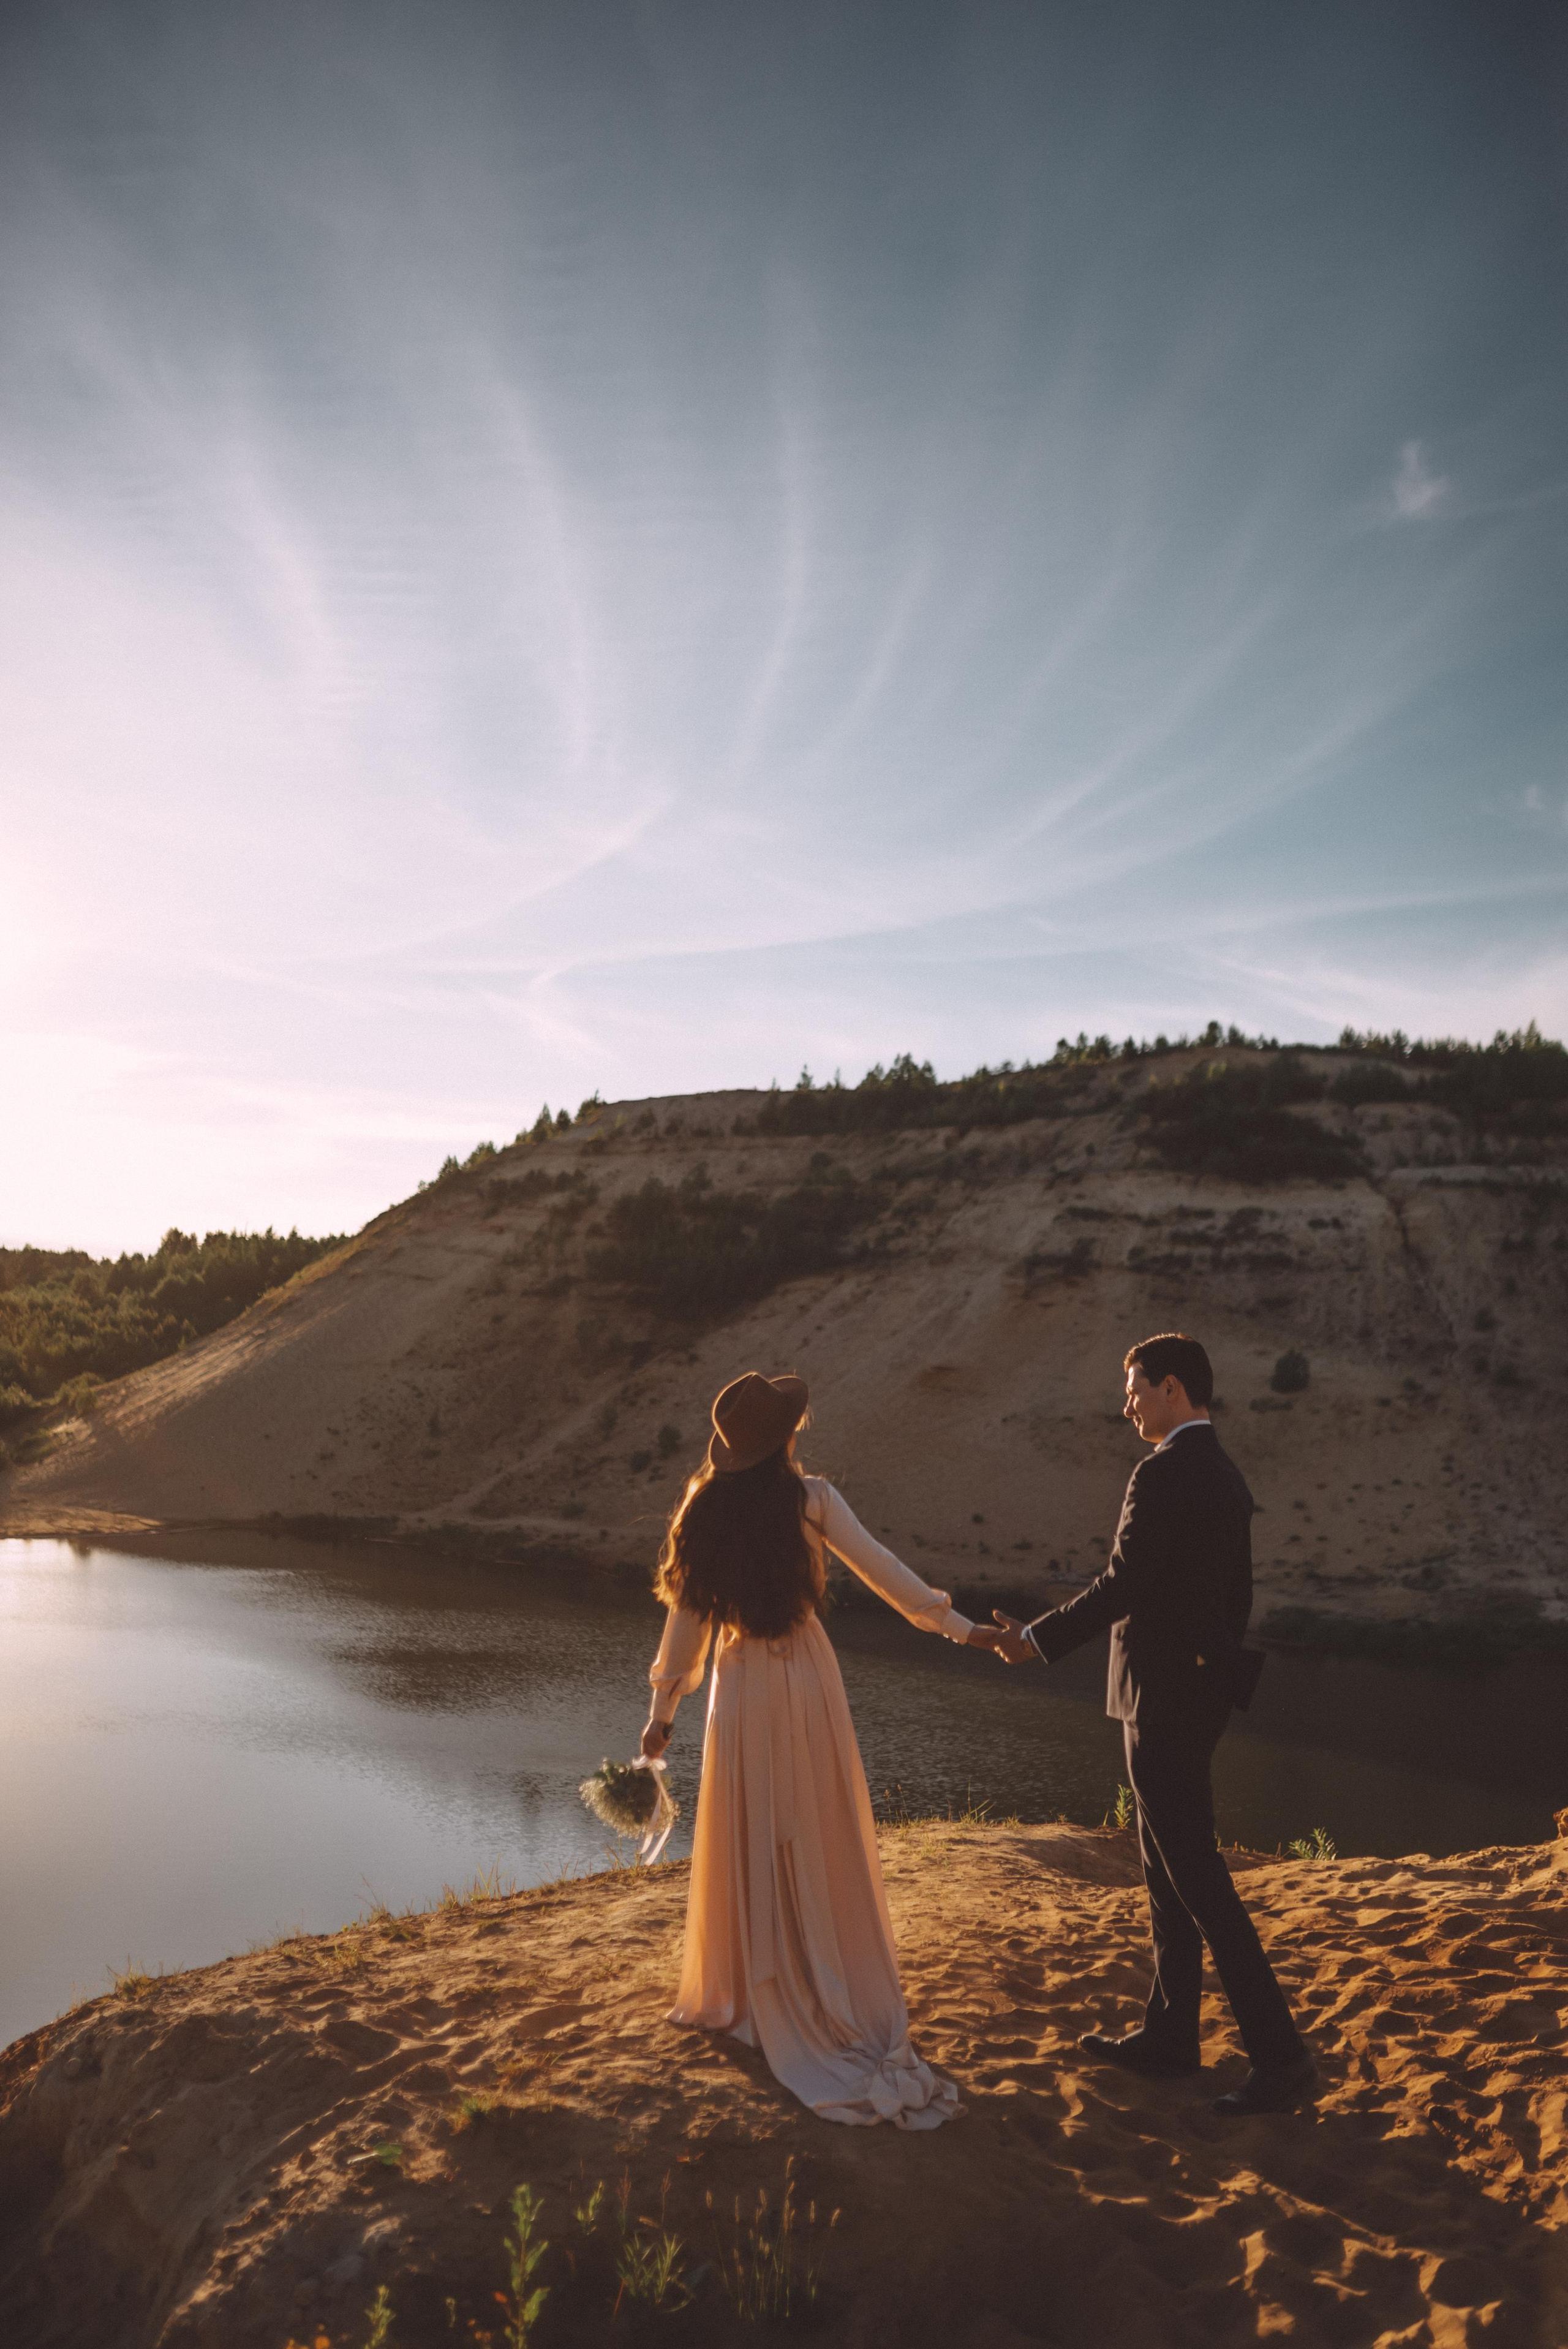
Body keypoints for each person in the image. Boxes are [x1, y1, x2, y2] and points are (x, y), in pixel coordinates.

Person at [641, 1369, 997, 2127]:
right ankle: (819, 1975)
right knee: (811, 1824)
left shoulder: (704, 1511)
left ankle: (757, 1983)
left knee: (753, 1828)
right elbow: (887, 1575)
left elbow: (687, 1624)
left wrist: (662, 1709)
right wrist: (962, 1628)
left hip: (736, 1690)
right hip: (804, 1677)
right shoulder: (812, 1502)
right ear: (786, 1440)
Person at [986, 1332, 1315, 2117]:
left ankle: (1281, 2057)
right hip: (1191, 1697)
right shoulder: (1224, 1475)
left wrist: (1034, 1639)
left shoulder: (1163, 1472)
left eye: (1134, 1387)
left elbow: (1122, 1583)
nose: (1126, 1402)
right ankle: (1170, 2037)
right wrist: (1204, 1673)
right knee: (1167, 1871)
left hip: (1161, 1700)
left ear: (1172, 1388)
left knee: (1194, 1876)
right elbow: (1228, 1601)